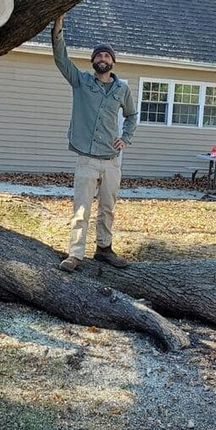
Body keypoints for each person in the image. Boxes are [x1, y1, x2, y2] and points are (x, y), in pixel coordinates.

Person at [52, 14, 137, 272]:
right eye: (98, 55)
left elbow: (131, 115)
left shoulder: (122, 90)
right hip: (86, 157)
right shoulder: (81, 82)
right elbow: (61, 58)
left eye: (107, 56)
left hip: (112, 159)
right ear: (93, 61)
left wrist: (126, 138)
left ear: (112, 62)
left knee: (108, 208)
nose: (103, 59)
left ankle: (104, 249)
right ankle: (75, 254)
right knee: (81, 209)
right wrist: (58, 26)